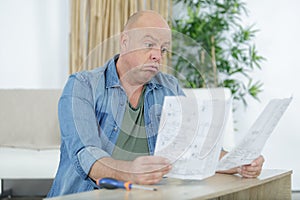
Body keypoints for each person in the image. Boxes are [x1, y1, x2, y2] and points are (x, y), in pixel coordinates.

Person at [47, 10, 264, 197]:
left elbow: (192, 148)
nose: (157, 56)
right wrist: (130, 171)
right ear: (125, 42)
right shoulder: (81, 86)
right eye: (149, 44)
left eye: (163, 49)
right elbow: (86, 155)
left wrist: (238, 162)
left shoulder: (169, 86)